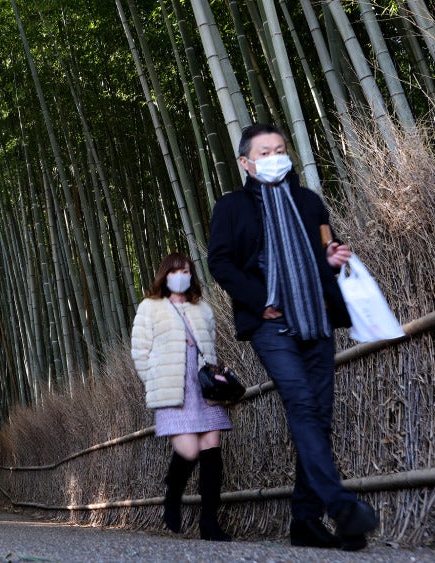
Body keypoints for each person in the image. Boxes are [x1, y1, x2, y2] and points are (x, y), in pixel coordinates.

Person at [207, 123, 378, 551]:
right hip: (270, 322)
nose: (274, 157)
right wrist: (257, 298)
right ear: (245, 162)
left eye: (279, 149)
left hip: (315, 318)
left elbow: (325, 254)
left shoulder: (309, 202)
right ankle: (339, 504)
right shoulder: (231, 207)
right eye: (263, 153)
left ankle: (304, 521)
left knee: (318, 416)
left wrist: (335, 258)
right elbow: (220, 263)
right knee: (301, 402)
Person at [132, 252, 232, 542]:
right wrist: (154, 381)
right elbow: (140, 352)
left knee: (211, 445)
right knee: (189, 450)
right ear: (165, 275)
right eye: (175, 270)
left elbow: (210, 347)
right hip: (171, 387)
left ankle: (209, 523)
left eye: (186, 270)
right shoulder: (150, 308)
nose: (182, 275)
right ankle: (172, 494)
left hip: (201, 386)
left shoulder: (202, 308)